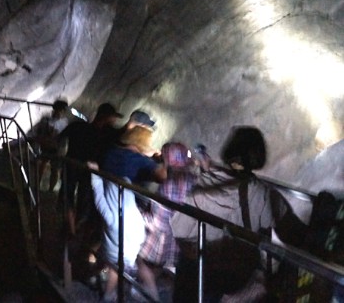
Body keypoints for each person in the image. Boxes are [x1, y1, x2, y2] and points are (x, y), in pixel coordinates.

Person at [170, 126, 303, 302]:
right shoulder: (262, 194)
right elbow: (292, 231)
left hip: (196, 275)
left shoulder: (203, 186)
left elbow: (179, 230)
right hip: (233, 279)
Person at [94, 126, 167, 302]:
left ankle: (96, 275)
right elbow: (162, 176)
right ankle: (143, 292)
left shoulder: (111, 153)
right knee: (138, 258)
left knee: (110, 248)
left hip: (109, 207)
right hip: (130, 215)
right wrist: (164, 160)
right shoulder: (140, 160)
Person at [136, 142, 199, 301]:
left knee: (141, 260)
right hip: (188, 235)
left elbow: (159, 222)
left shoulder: (168, 185)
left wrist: (142, 216)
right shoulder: (195, 179)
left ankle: (152, 295)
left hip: (167, 236)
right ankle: (150, 289)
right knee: (165, 267)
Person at [59, 102, 124, 238]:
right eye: (113, 117)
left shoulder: (77, 126)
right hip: (87, 171)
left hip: (71, 165)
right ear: (106, 117)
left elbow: (60, 139)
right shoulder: (105, 134)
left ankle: (70, 228)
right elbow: (121, 138)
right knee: (84, 199)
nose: (114, 120)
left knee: (68, 196)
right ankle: (75, 228)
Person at [34, 100, 73, 191]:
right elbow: (39, 131)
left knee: (55, 169)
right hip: (47, 146)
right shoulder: (46, 120)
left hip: (58, 148)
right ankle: (36, 186)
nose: (59, 112)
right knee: (42, 165)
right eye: (58, 110)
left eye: (61, 111)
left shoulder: (65, 122)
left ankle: (50, 189)